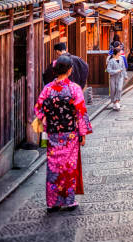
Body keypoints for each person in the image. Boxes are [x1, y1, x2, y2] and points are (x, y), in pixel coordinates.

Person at [34, 55, 92, 213]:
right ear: (70, 70)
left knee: (53, 167)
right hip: (70, 134)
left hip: (53, 133)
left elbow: (38, 109)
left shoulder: (47, 89)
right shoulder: (74, 88)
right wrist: (83, 133)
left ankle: (53, 202)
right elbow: (80, 112)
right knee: (68, 167)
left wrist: (47, 119)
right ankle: (68, 201)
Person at [107, 46, 128, 111]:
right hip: (113, 77)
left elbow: (123, 68)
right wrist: (116, 71)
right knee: (113, 90)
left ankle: (117, 101)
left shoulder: (121, 59)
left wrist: (125, 76)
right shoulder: (111, 60)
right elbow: (108, 70)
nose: (121, 52)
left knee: (119, 89)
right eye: (120, 51)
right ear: (117, 53)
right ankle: (114, 102)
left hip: (120, 77)